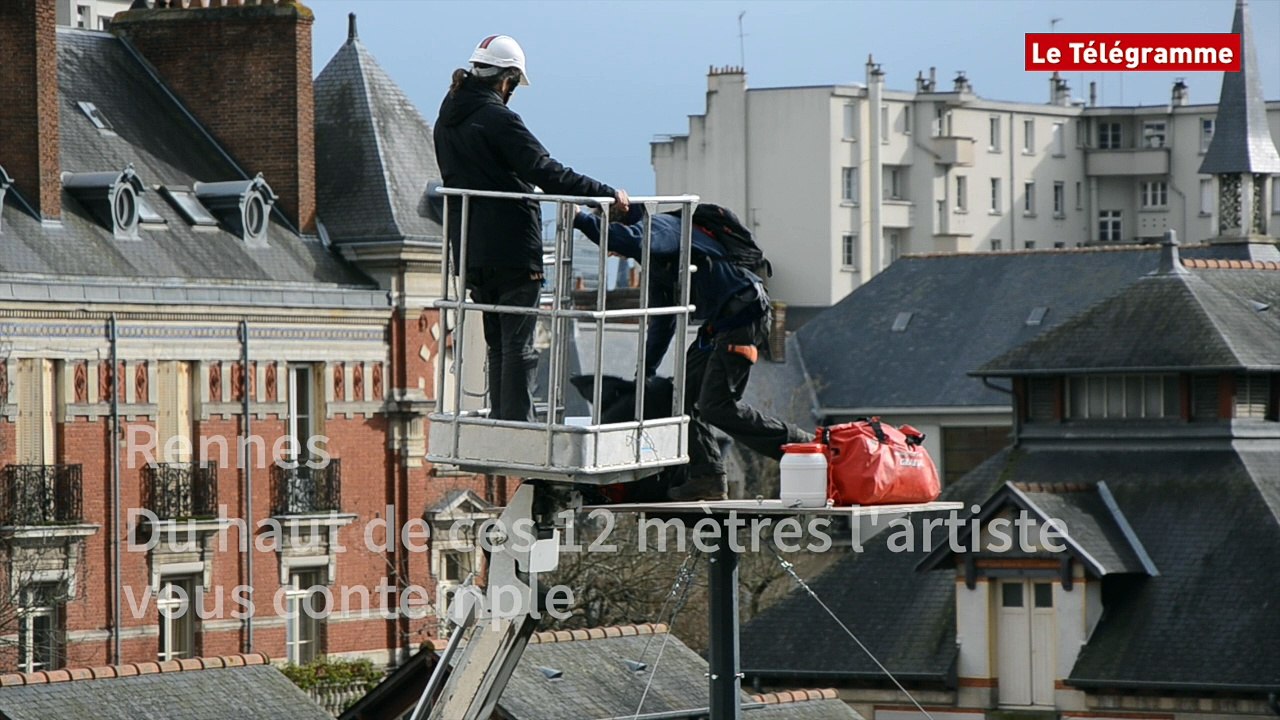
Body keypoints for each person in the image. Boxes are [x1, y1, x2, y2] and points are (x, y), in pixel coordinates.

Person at [434, 35, 629, 422]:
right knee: (518, 345)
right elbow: (544, 169)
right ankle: (516, 422)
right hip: (511, 247)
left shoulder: (447, 117)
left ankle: (503, 417)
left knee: (498, 343)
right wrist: (603, 195)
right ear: (506, 80)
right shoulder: (497, 118)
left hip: (470, 249)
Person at [574, 206, 814, 501]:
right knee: (677, 401)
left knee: (716, 406)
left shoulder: (664, 228)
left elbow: (633, 241)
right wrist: (644, 375)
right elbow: (663, 320)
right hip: (720, 326)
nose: (612, 253)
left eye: (611, 241)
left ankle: (804, 448)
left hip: (745, 316)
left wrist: (582, 220)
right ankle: (708, 478)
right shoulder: (655, 260)